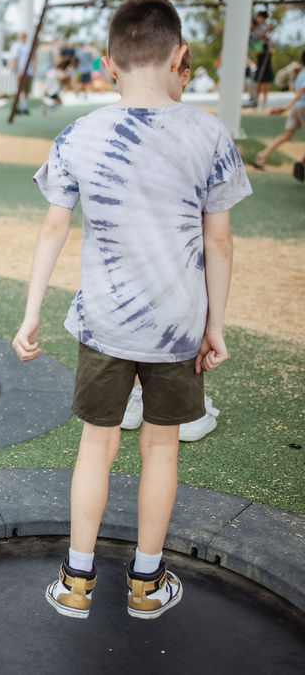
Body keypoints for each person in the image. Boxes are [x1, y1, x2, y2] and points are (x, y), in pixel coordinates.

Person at [12, 0, 251, 620]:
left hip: (104, 323)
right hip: (177, 329)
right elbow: (219, 240)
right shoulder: (209, 133)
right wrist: (215, 325)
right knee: (162, 447)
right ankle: (146, 584)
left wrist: (31, 312)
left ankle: (76, 582)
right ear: (179, 56)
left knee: (95, 446)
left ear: (106, 62)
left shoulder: (80, 134)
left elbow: (52, 228)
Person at [120, 39, 222, 443]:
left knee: (142, 323)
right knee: (177, 324)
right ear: (179, 71)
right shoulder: (197, 130)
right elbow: (215, 234)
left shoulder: (127, 127)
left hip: (136, 260)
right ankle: (181, 412)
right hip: (175, 265)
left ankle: (137, 400)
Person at [253, 49, 305, 175]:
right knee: (287, 135)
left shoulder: (301, 72)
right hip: (302, 107)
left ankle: (262, 155)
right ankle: (300, 164)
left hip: (296, 108)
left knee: (287, 135)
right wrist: (287, 107)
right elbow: (300, 92)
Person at [10, 31, 36, 114]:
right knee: (20, 90)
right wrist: (16, 71)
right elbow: (14, 59)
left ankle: (24, 107)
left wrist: (34, 70)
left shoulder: (28, 46)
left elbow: (33, 58)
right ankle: (18, 107)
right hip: (20, 71)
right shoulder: (16, 46)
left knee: (26, 90)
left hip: (29, 71)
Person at [254, 42, 275, 113]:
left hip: (266, 72)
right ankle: (256, 106)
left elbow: (273, 51)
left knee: (264, 91)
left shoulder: (269, 53)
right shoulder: (260, 53)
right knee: (258, 90)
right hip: (261, 71)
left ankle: (263, 107)